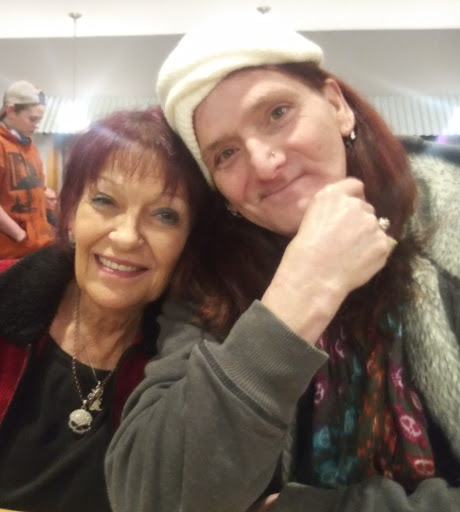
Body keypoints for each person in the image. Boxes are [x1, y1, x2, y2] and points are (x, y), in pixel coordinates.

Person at [105, 9, 460, 512]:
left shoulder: (449, 225)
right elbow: (151, 495)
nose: (264, 164)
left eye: (276, 113)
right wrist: (298, 295)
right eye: (225, 154)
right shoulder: (212, 282)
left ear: (336, 105)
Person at [0, 106, 214, 512]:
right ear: (70, 214)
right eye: (104, 200)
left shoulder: (194, 362)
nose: (126, 237)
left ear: (190, 240)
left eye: (165, 215)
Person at [0, 80, 54, 259]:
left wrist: (43, 195)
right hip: (10, 253)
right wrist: (20, 236)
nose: (37, 125)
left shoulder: (31, 148)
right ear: (11, 111)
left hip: (37, 247)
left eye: (39, 119)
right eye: (32, 119)